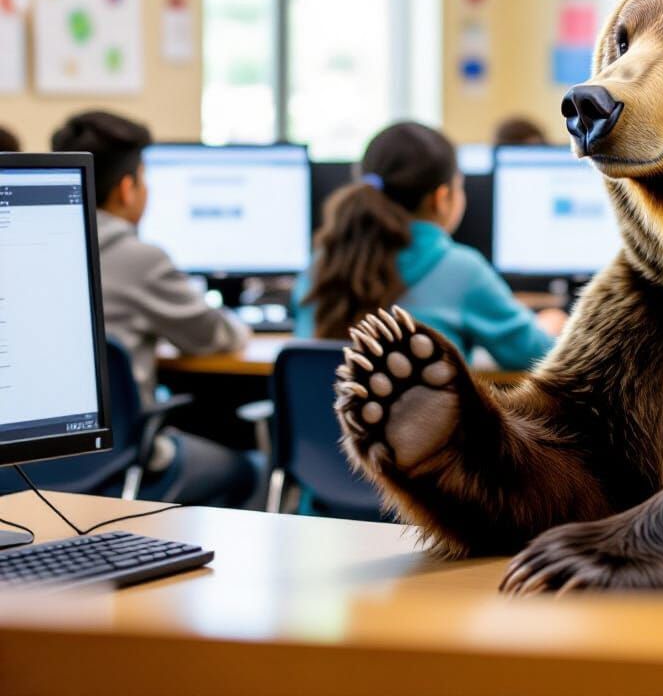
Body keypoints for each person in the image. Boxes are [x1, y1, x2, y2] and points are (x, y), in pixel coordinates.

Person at [52, 110, 257, 506]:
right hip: (118, 460)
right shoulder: (139, 259)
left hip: (27, 465)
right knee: (246, 468)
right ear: (127, 189)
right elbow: (214, 337)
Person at [294, 121, 566, 368]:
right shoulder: (462, 270)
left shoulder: (320, 266)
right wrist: (545, 327)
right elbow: (535, 356)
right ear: (441, 198)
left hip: (328, 422)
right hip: (426, 425)